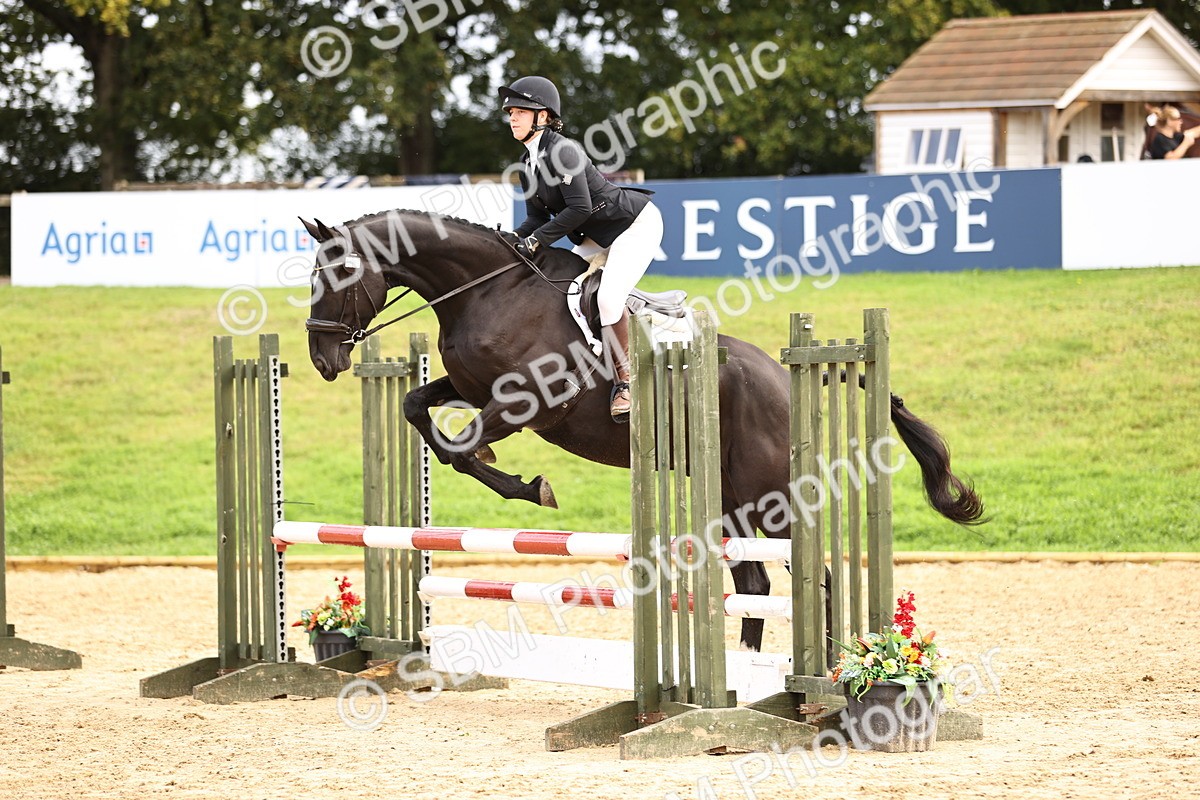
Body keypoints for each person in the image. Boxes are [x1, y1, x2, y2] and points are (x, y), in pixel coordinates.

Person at [499, 75, 664, 423]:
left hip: (633, 226)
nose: (512, 117)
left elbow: (580, 209)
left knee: (606, 298)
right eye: (510, 112)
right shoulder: (527, 165)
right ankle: (581, 361)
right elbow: (535, 219)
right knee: (562, 291)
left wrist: (536, 241)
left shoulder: (564, 151)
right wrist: (510, 242)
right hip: (596, 235)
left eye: (520, 111)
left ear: (542, 116)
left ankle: (626, 382)